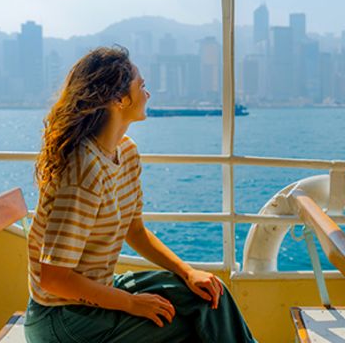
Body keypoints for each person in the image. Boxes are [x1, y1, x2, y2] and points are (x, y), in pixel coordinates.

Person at [24, 46, 256, 343]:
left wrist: (186, 272)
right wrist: (132, 303)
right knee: (192, 326)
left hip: (94, 294)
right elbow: (54, 278)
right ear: (119, 99)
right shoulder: (83, 171)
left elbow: (135, 230)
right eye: (141, 86)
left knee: (210, 293)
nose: (148, 94)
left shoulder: (127, 153)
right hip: (59, 319)